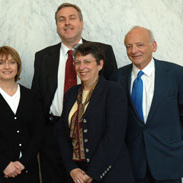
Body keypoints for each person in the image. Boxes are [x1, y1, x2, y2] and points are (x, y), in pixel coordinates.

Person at [31, 3, 118, 183]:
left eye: (72, 18)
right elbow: (37, 99)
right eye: (61, 20)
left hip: (93, 136)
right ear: (56, 26)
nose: (67, 23)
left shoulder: (103, 51)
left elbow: (114, 97)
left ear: (82, 23)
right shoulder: (42, 57)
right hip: (52, 136)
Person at [111, 26, 183, 183]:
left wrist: (175, 140)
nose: (134, 50)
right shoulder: (116, 78)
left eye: (140, 44)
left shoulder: (178, 75)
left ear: (154, 46)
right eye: (129, 46)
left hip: (167, 159)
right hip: (132, 162)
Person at [58, 42, 134, 183]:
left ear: (100, 64)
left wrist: (93, 172)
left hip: (110, 173)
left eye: (87, 62)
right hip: (78, 175)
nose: (82, 67)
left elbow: (113, 137)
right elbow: (63, 134)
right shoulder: (71, 94)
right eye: (78, 62)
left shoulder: (113, 91)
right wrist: (72, 168)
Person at [0, 46, 45, 183]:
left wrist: (23, 162)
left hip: (27, 171)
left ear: (18, 66)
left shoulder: (31, 96)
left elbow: (38, 133)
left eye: (12, 62)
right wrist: (4, 165)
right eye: (1, 63)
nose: (7, 67)